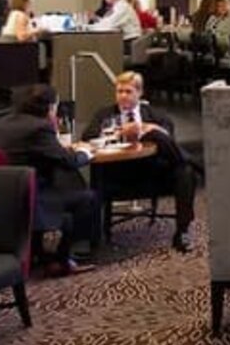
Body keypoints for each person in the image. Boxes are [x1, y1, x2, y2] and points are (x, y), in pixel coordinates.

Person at [83, 72, 200, 252]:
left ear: (139, 93)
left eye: (128, 91)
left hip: (152, 170)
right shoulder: (105, 115)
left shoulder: (154, 114)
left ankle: (182, 231)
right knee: (185, 164)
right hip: (119, 171)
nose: (122, 96)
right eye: (119, 91)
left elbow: (169, 141)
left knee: (184, 172)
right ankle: (195, 163)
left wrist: (146, 129)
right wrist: (118, 134)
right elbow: (87, 137)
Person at [0, 84, 100, 275]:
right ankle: (65, 257)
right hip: (32, 193)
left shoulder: (1, 124)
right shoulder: (40, 127)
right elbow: (69, 161)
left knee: (66, 185)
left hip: (4, 191)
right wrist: (86, 153)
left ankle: (49, 251)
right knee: (88, 197)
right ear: (49, 107)